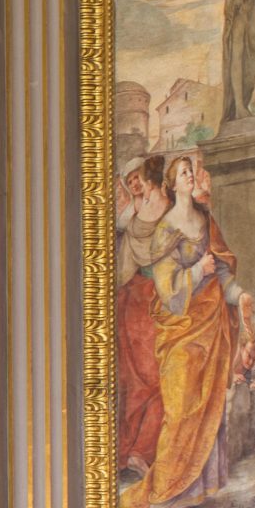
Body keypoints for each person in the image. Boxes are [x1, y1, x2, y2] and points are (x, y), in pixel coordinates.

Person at [120, 156, 255, 508]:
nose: (192, 177)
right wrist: (199, 271)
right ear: (173, 184)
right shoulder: (166, 230)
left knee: (206, 417)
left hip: (210, 328)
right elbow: (167, 288)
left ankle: (179, 502)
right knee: (181, 416)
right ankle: (156, 507)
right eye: (185, 173)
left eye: (191, 172)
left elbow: (225, 274)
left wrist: (239, 295)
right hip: (180, 332)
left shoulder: (205, 221)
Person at [115, 155, 172, 476]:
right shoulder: (128, 216)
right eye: (128, 180)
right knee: (134, 378)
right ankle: (132, 451)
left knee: (156, 376)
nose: (134, 183)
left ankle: (144, 450)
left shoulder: (164, 207)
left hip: (159, 294)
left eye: (136, 176)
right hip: (134, 298)